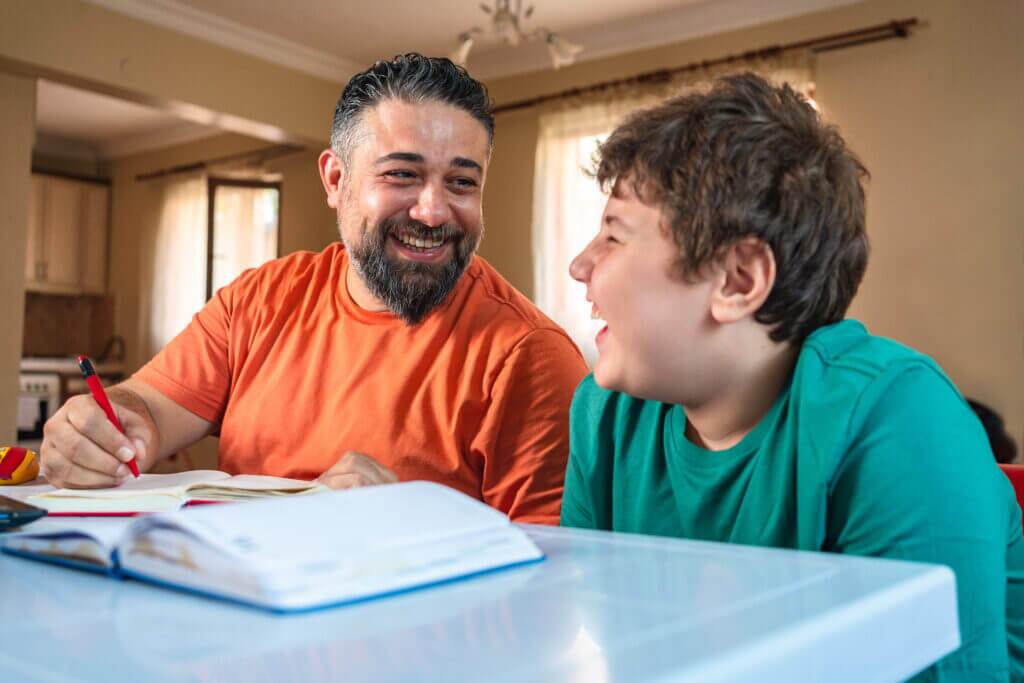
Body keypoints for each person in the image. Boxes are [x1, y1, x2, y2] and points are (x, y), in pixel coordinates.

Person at [561, 73, 1022, 679]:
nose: (579, 266)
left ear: (739, 280)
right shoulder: (605, 416)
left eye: (614, 235)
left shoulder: (896, 418)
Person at [40, 54, 588, 524]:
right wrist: (104, 428)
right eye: (401, 175)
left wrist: (414, 524)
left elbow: (555, 590)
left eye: (462, 182)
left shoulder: (530, 357)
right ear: (335, 180)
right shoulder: (256, 302)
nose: (433, 211)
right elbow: (147, 412)